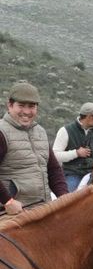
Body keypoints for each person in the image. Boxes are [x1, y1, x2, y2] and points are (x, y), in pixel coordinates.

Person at [0, 82, 67, 213]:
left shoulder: (40, 132)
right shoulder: (1, 132)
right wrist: (7, 200)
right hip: (11, 215)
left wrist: (64, 198)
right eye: (21, 106)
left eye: (31, 106)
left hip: (41, 210)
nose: (26, 111)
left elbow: (53, 170)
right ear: (10, 105)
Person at [52, 101, 93, 192]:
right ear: (90, 117)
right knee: (66, 198)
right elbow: (55, 156)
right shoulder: (65, 131)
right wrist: (76, 153)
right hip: (72, 174)